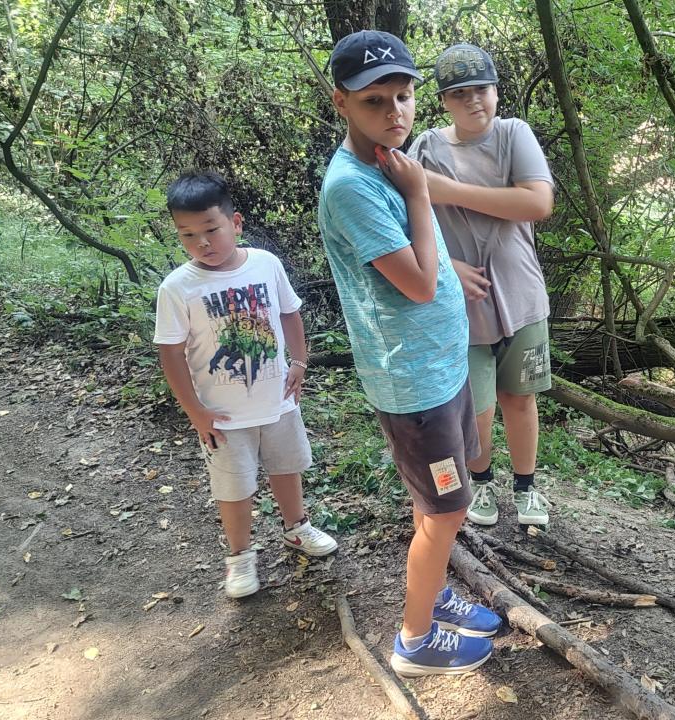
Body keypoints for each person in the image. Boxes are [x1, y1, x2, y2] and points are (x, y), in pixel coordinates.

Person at [317, 30, 501, 678]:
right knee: (448, 511)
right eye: (375, 101)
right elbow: (419, 284)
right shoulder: (353, 187)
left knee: (438, 505)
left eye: (403, 96)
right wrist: (421, 193)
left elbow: (421, 259)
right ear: (341, 101)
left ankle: (434, 592)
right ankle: (415, 639)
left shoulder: (388, 164)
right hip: (414, 386)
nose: (394, 112)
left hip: (442, 369)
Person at [154, 170, 339, 600]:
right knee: (234, 487)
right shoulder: (178, 287)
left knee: (286, 467)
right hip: (222, 415)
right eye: (188, 235)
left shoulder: (265, 264)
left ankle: (296, 527)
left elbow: (290, 313)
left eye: (211, 229)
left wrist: (299, 361)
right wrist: (196, 413)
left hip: (278, 401)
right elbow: (171, 354)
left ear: (235, 223)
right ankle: (239, 557)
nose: (202, 242)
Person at [409, 43, 555, 527]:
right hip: (460, 303)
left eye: (482, 89)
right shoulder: (426, 147)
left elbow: (537, 203)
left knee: (521, 398)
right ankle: (483, 482)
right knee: (476, 406)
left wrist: (449, 191)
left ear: (496, 91)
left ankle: (527, 487)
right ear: (444, 101)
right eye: (460, 93)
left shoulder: (514, 134)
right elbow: (401, 218)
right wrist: (445, 265)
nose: (474, 101)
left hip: (521, 294)